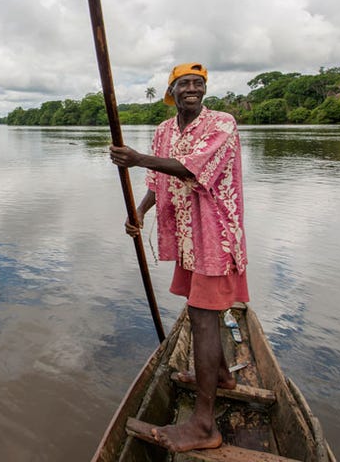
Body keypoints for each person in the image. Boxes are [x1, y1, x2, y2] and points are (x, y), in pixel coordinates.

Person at [109, 62, 249, 453]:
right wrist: (140, 211)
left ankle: (204, 426)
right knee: (197, 309)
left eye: (198, 83)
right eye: (184, 83)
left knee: (204, 317)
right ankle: (221, 375)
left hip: (215, 234)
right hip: (186, 236)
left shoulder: (222, 123)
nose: (193, 89)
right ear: (171, 91)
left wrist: (136, 159)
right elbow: (159, 181)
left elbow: (192, 169)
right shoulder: (164, 131)